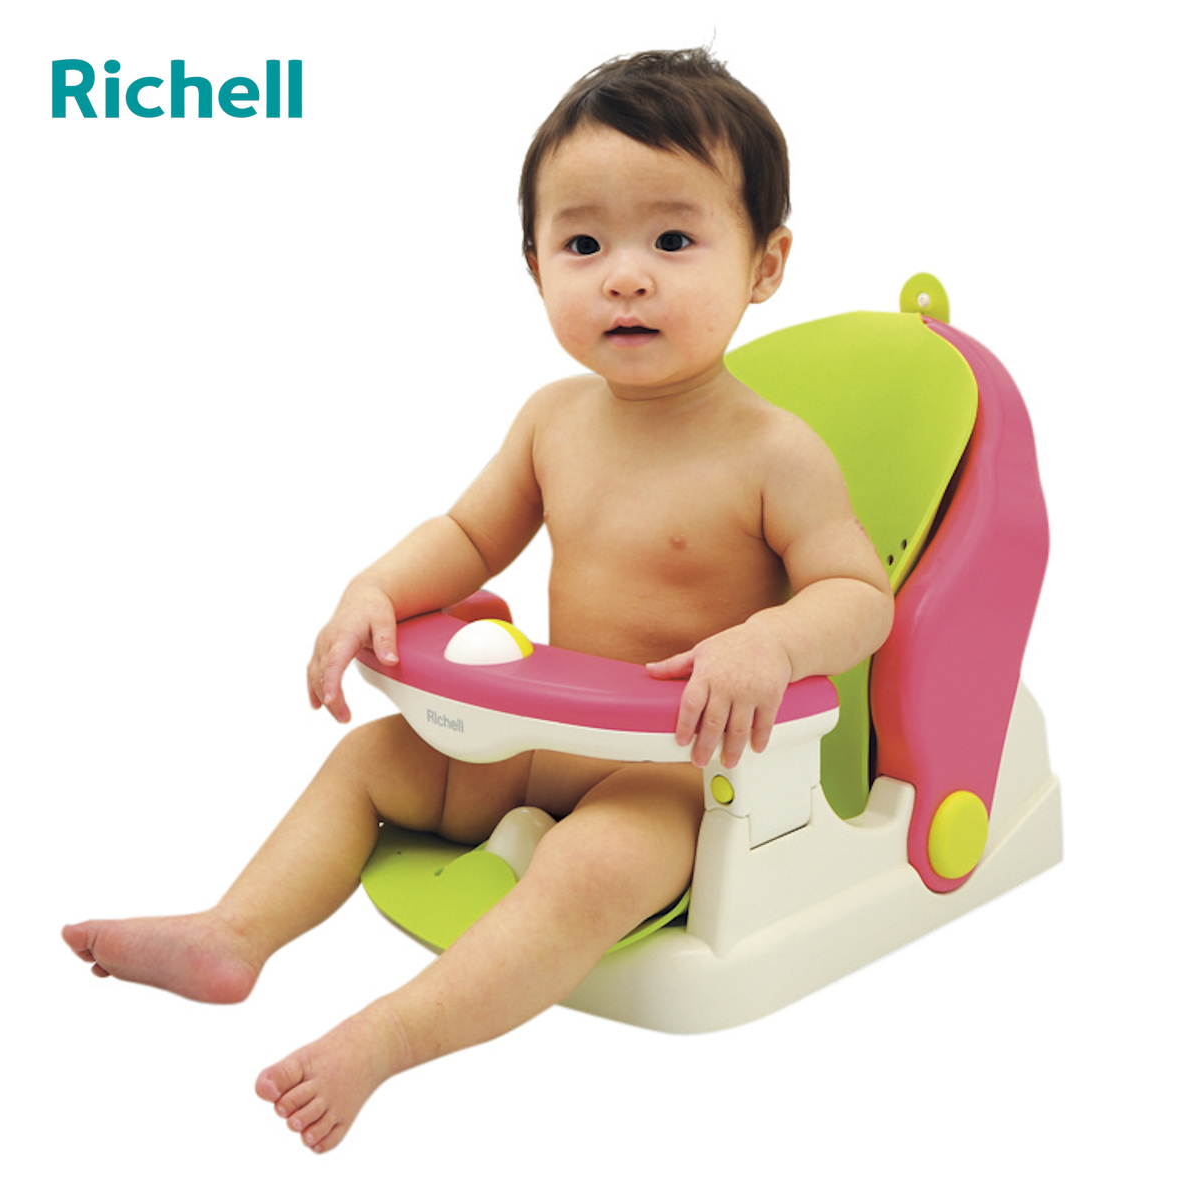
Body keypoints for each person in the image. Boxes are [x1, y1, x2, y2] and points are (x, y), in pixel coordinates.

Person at [61, 48, 894, 1153]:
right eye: (584, 245)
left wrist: (773, 643)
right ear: (535, 266)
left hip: (676, 772)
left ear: (766, 264)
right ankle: (233, 933)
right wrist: (375, 589)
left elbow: (858, 594)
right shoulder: (553, 421)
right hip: (544, 741)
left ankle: (387, 1038)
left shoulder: (774, 452)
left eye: (673, 240)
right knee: (370, 761)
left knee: (591, 867)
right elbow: (464, 538)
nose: (625, 276)